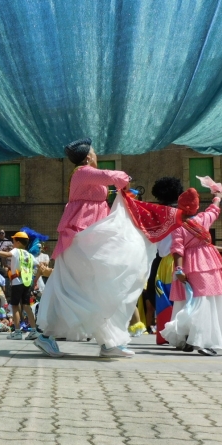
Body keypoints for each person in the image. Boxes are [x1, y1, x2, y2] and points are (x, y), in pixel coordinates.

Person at [35, 138, 136, 357]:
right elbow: (112, 176)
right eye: (95, 152)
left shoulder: (87, 176)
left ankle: (108, 343)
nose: (97, 155)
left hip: (89, 237)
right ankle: (46, 336)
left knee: (93, 289)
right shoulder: (82, 172)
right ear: (88, 156)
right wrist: (126, 179)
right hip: (79, 237)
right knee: (79, 289)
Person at [161, 187, 222, 355]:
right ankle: (202, 341)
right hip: (208, 263)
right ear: (196, 206)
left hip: (189, 264)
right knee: (206, 301)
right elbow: (214, 209)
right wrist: (217, 196)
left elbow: (177, 249)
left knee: (189, 300)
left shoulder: (178, 227)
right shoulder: (203, 219)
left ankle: (188, 337)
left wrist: (179, 269)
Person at [146, 177, 184, 345]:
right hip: (176, 259)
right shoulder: (183, 212)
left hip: (166, 260)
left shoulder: (159, 212)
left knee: (162, 296)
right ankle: (177, 332)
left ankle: (169, 332)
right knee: (178, 297)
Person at [0, 231, 38, 341]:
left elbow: (7, 254)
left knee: (15, 306)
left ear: (19, 242)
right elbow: (39, 265)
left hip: (17, 282)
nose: (13, 242)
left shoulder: (16, 251)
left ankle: (17, 332)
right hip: (27, 282)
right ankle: (34, 331)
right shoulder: (29, 255)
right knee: (26, 305)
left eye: (14, 240)